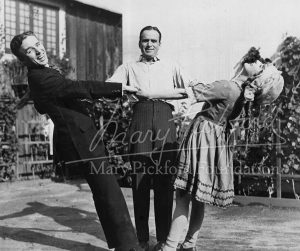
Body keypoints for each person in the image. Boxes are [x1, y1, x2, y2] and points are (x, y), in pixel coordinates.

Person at [10, 31, 141, 251]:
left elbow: (42, 105)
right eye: (30, 50)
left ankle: (121, 245)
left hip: (82, 136)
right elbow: (76, 87)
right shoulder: (41, 77)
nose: (38, 51)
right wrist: (119, 89)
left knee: (104, 192)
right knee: (110, 192)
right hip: (80, 140)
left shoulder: (41, 75)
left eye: (38, 44)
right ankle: (129, 248)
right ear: (23, 59)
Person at [161, 47, 284, 250]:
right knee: (199, 197)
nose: (258, 61)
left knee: (183, 195)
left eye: (261, 66)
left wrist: (189, 80)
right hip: (216, 142)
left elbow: (198, 92)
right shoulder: (242, 95)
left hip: (202, 138)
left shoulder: (228, 87)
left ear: (256, 76)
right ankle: (189, 244)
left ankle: (169, 247)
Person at [107, 26, 191, 250]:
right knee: (140, 180)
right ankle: (142, 239)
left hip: (165, 118)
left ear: (160, 44)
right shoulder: (129, 67)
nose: (150, 44)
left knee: (165, 180)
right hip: (140, 117)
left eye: (154, 40)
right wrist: (129, 89)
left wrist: (155, 94)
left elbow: (188, 90)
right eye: (145, 40)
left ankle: (164, 240)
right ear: (139, 44)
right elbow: (108, 86)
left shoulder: (171, 66)